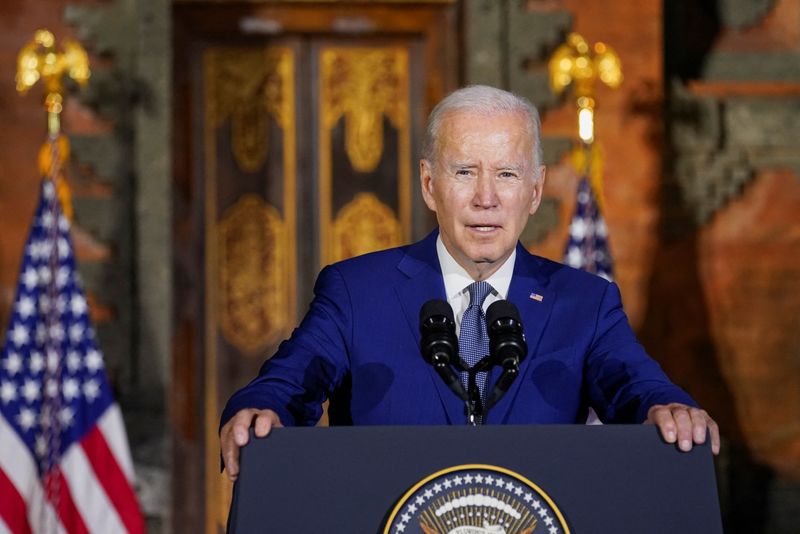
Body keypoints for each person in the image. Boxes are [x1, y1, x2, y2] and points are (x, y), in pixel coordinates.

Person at [219, 85, 719, 481]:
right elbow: (289, 382)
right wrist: (259, 410)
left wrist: (667, 408)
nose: (486, 198)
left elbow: (636, 383)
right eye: (464, 171)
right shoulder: (357, 292)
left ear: (535, 190)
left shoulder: (584, 303)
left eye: (506, 174)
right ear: (429, 185)